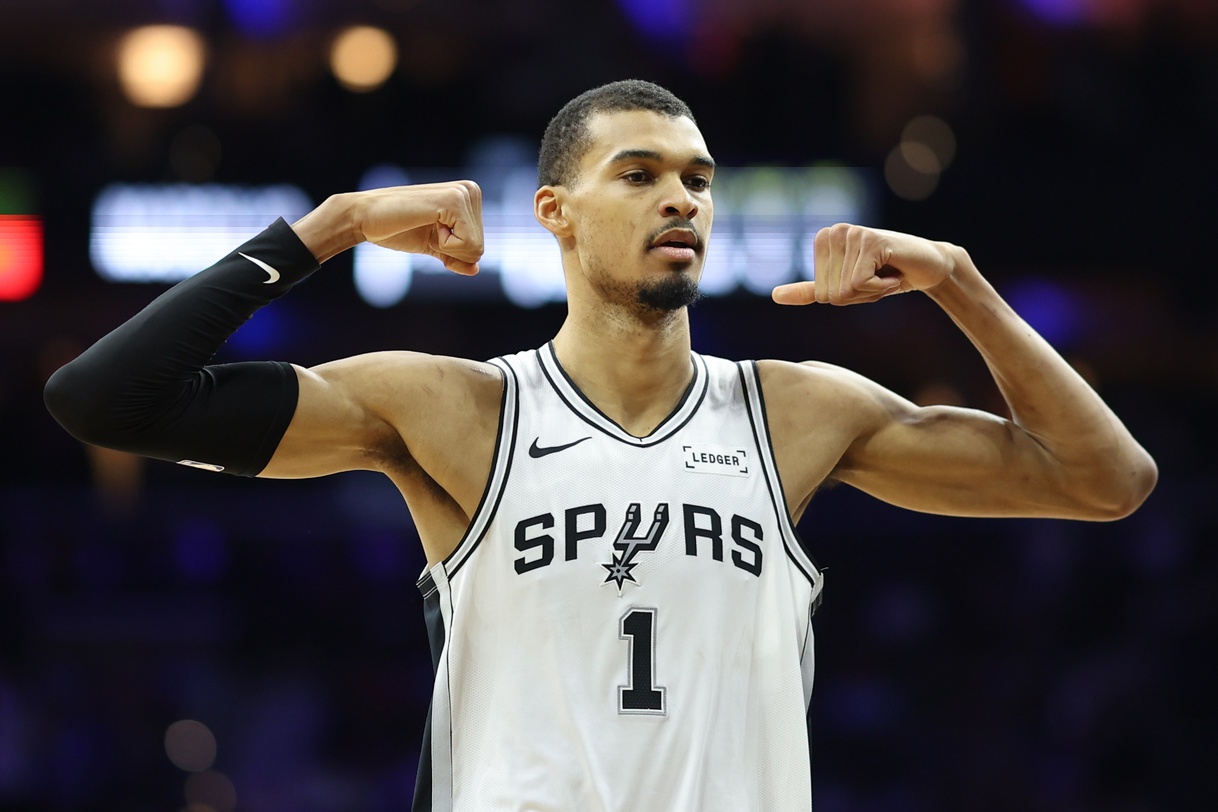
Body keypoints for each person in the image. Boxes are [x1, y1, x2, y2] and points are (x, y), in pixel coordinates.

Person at [44, 79, 1157, 811]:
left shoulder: (797, 410)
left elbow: (1107, 480)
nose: (680, 198)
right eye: (640, 173)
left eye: (697, 179)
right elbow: (108, 398)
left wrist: (960, 285)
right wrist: (334, 222)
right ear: (557, 212)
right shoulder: (457, 410)